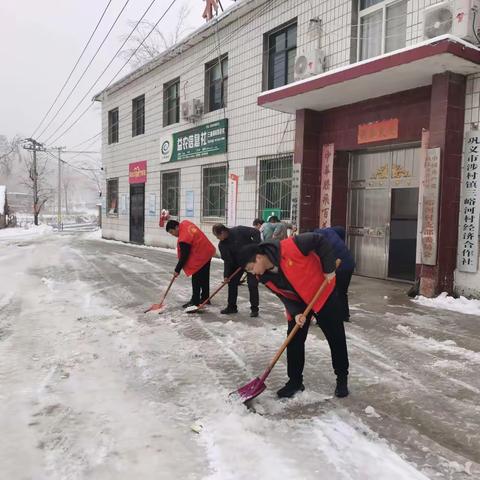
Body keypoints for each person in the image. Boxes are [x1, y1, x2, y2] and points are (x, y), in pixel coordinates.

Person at [238, 233, 350, 399]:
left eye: (250, 267)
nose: (251, 272)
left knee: (336, 337)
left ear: (259, 257)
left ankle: (342, 379)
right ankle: (295, 381)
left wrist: (328, 269)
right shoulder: (263, 276)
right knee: (294, 340)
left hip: (323, 293)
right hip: (300, 302)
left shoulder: (292, 246)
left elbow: (320, 240)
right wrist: (296, 312)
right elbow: (282, 294)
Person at [212, 224, 261, 317]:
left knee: (252, 284)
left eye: (218, 236)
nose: (218, 238)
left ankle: (254, 309)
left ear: (222, 232)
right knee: (232, 283)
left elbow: (256, 232)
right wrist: (226, 275)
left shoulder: (239, 231)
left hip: (250, 261)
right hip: (236, 264)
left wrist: (256, 247)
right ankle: (232, 307)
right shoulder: (222, 245)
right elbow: (227, 261)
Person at [165, 219, 216, 308]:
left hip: (201, 255)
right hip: (207, 251)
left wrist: (177, 269)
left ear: (177, 227)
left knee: (196, 278)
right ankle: (205, 298)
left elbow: (184, 256)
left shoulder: (184, 237)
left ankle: (195, 301)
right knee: (204, 277)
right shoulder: (185, 223)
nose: (173, 234)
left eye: (172, 232)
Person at [313, 226, 355, 322]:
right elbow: (342, 230)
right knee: (342, 292)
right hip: (349, 264)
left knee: (330, 292)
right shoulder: (330, 230)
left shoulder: (318, 243)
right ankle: (344, 315)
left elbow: (321, 261)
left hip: (340, 266)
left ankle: (327, 317)